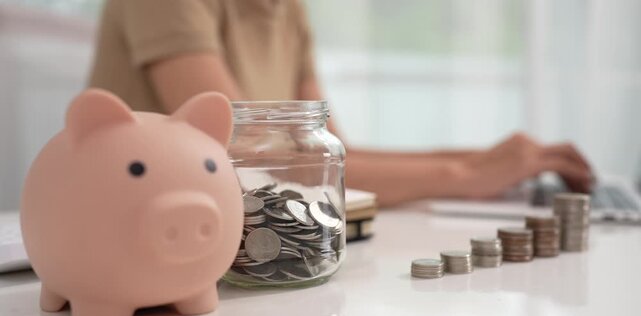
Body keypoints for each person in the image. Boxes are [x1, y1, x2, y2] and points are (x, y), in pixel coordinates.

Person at [89, 0, 592, 207]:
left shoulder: (288, 8)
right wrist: (465, 178)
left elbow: (327, 150)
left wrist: (484, 160)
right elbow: (251, 155)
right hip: (137, 228)